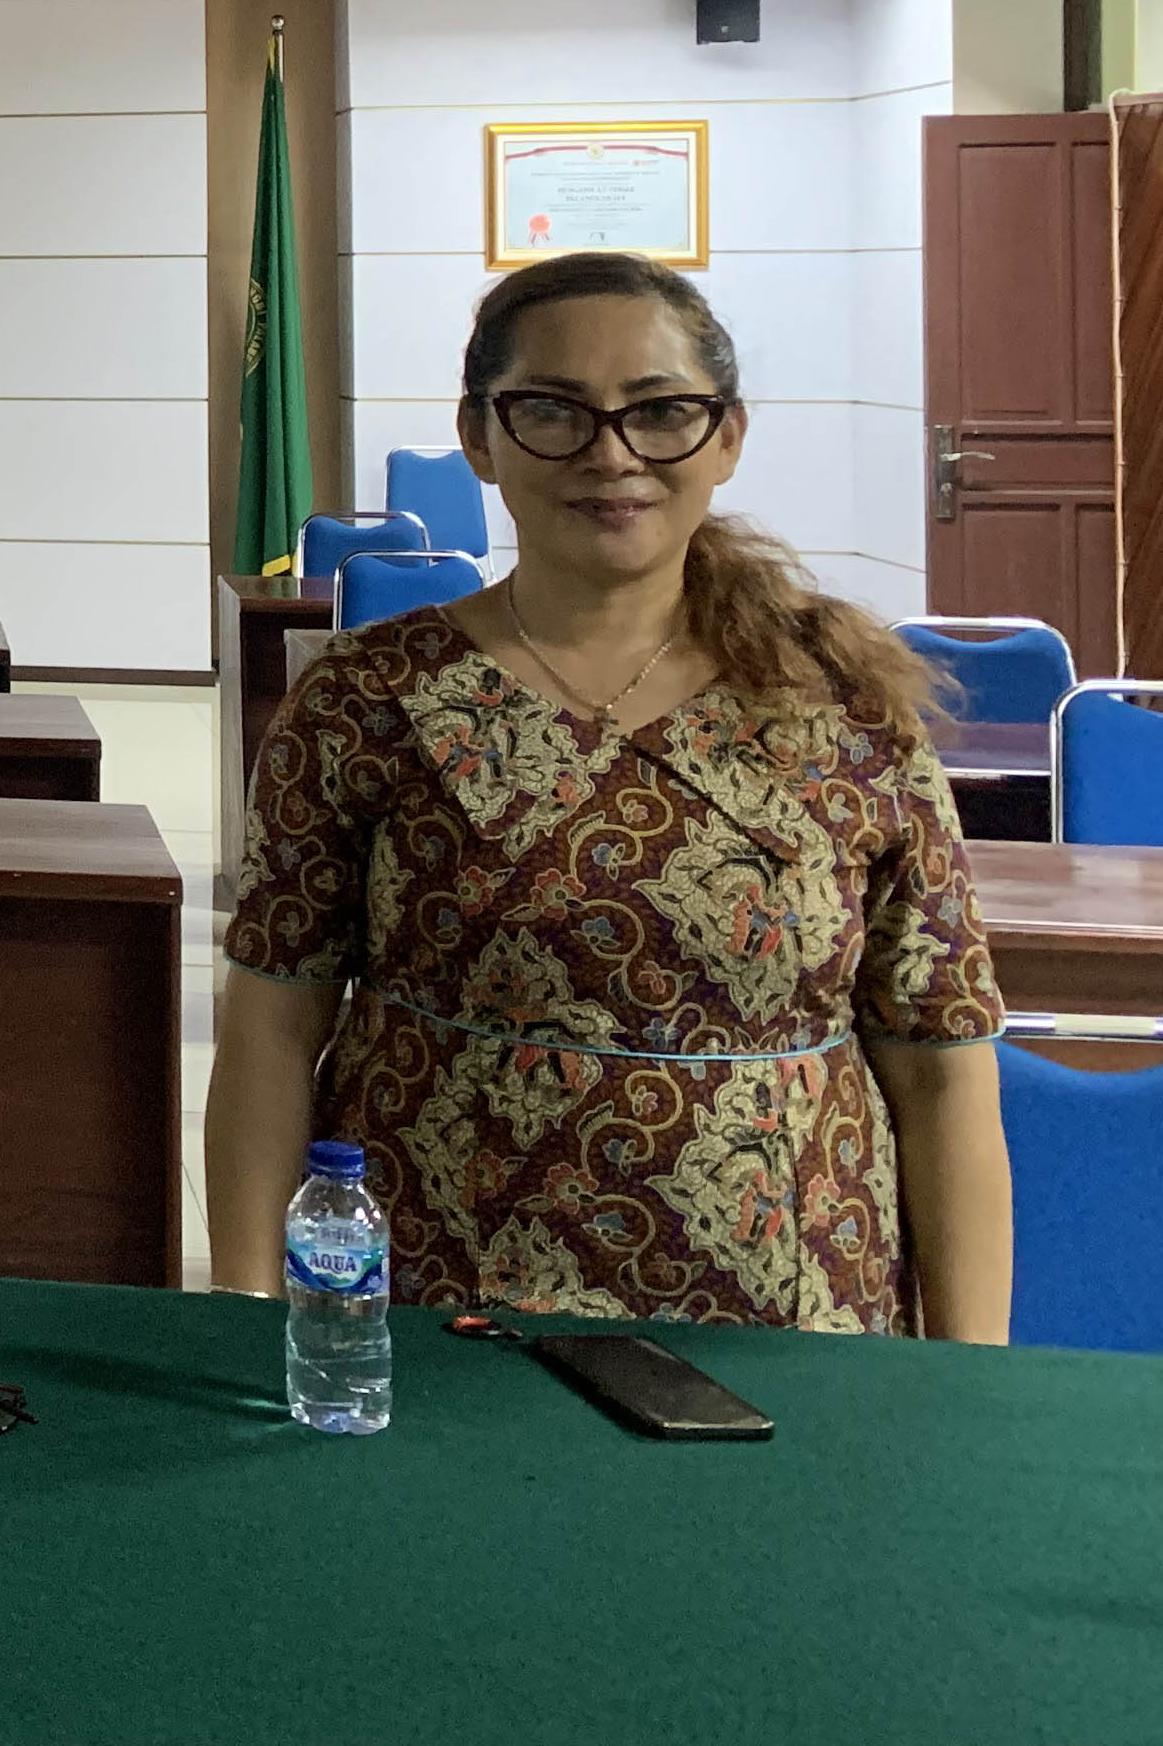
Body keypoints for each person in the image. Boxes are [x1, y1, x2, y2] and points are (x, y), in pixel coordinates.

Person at [205, 249, 1011, 1336]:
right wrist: (252, 1319)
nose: (611, 453)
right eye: (554, 410)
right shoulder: (368, 699)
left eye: (659, 410)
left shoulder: (844, 710)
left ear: (725, 436)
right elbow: (270, 1029)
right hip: (444, 1315)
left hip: (791, 1323)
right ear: (480, 436)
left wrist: (966, 1374)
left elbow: (941, 1068)